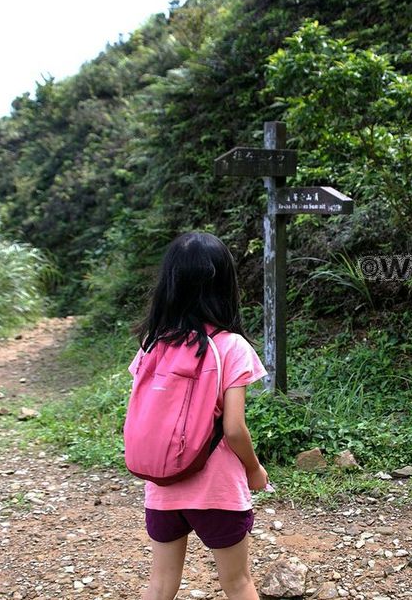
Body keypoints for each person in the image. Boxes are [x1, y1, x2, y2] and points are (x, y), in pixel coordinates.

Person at [128, 231, 270, 600]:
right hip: (217, 490)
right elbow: (234, 429)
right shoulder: (231, 346)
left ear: (169, 283)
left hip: (162, 487)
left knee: (160, 584)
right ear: (225, 283)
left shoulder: (152, 344)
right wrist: (255, 470)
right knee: (237, 582)